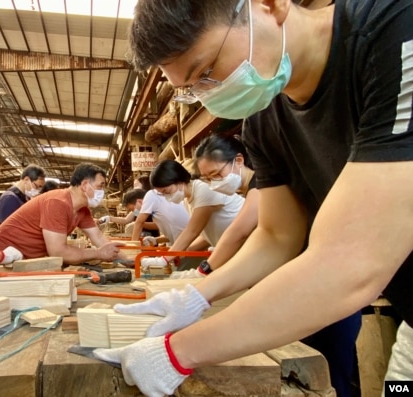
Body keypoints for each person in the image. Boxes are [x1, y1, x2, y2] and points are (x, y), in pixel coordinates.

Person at [94, 1, 413, 396]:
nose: (208, 95)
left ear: (270, 5)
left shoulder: (394, 28)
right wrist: (197, 294)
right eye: (192, 91)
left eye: (206, 72)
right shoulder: (265, 118)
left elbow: (353, 260)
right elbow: (277, 235)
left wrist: (177, 352)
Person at [0, 163, 124, 264]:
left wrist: (130, 260)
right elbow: (58, 252)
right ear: (84, 185)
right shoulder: (57, 202)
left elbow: (98, 237)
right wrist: (97, 253)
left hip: (26, 258)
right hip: (5, 255)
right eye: (100, 186)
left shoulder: (82, 209)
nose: (102, 192)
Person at [143, 159, 244, 269]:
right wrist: (184, 251)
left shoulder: (203, 189)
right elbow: (205, 235)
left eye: (167, 191)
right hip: (235, 244)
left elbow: (192, 231)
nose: (167, 197)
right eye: (163, 194)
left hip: (246, 236)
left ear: (179, 180)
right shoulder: (188, 200)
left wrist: (164, 259)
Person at [193, 133, 258, 275]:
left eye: (216, 174)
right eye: (208, 178)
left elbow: (239, 232)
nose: (214, 182)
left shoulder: (260, 185)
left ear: (239, 160)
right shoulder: (248, 190)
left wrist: (204, 269)